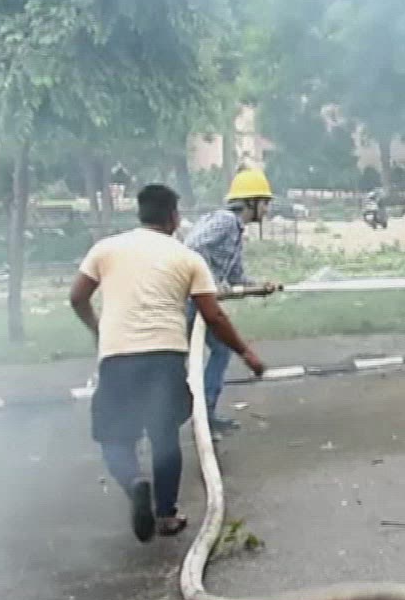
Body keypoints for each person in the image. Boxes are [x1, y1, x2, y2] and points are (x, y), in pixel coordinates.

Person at [70, 183, 265, 542]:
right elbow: (213, 316)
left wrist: (98, 330)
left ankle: (134, 481)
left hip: (117, 356)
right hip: (165, 356)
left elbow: (77, 297)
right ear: (174, 217)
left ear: (140, 213)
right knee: (164, 436)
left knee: (114, 437)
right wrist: (247, 353)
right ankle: (166, 515)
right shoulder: (187, 258)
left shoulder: (106, 249)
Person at [182, 168, 282, 433]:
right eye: (265, 203)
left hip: (200, 300)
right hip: (188, 300)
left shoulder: (236, 232)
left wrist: (260, 287)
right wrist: (211, 281)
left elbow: (236, 276)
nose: (267, 209)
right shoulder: (225, 221)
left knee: (221, 349)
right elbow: (193, 247)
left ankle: (206, 412)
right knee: (175, 358)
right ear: (251, 202)